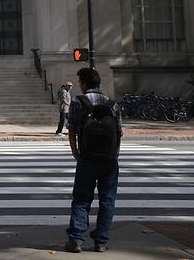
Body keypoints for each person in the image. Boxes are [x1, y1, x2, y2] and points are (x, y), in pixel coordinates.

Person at [65, 67, 122, 253]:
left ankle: (76, 238)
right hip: (109, 159)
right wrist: (114, 155)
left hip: (87, 158)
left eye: (79, 81)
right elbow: (119, 133)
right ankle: (101, 241)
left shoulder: (78, 101)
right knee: (107, 200)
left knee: (81, 198)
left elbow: (71, 129)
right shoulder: (112, 104)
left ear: (83, 83)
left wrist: (76, 152)